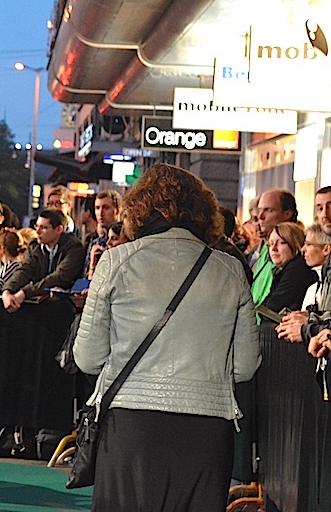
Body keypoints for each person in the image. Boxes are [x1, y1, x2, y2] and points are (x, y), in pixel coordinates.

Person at [73, 164, 260, 510]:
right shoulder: (230, 269)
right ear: (203, 211)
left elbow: (87, 357)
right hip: (207, 426)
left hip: (131, 424)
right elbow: (245, 367)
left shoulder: (115, 261)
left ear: (138, 208)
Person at [2, 209, 85, 313]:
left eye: (44, 227)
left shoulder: (74, 248)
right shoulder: (35, 246)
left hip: (65, 308)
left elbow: (59, 277)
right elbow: (24, 270)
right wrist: (7, 291)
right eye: (37, 226)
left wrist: (24, 293)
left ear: (59, 229)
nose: (37, 231)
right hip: (39, 305)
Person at [250, 189, 298, 308]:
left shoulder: (295, 252)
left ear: (287, 214)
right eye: (259, 210)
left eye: (268, 210)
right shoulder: (265, 249)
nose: (260, 216)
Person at [262, 222, 316, 314]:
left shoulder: (297, 268)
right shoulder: (281, 270)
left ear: (296, 244)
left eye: (281, 243)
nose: (274, 248)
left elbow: (272, 306)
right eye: (271, 244)